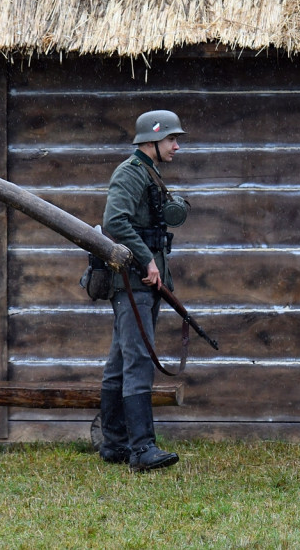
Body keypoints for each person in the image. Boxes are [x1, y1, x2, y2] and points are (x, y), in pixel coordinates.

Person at [99, 109, 188, 471]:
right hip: (134, 282)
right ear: (151, 141)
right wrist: (148, 260)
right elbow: (114, 221)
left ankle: (115, 444)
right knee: (138, 360)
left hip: (144, 283)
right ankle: (141, 450)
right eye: (171, 139)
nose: (176, 146)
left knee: (121, 361)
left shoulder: (149, 173)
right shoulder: (130, 173)